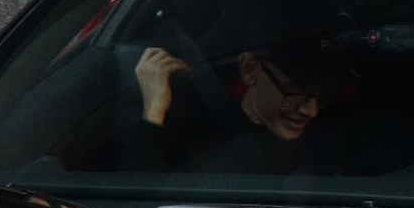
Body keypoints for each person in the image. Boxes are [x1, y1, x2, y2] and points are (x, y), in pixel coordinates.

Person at [132, 30, 347, 172]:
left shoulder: (337, 134)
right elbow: (146, 192)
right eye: (294, 91)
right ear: (249, 70)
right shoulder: (199, 136)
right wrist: (154, 110)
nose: (312, 111)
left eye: (323, 95)